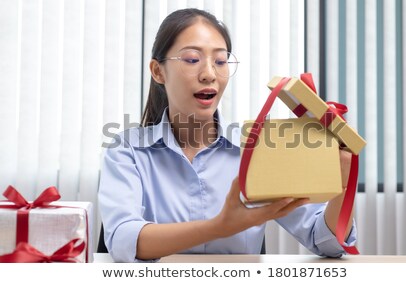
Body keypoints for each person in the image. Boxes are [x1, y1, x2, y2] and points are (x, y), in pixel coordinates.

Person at [98, 8, 357, 263]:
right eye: (191, 59)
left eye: (220, 61)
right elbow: (123, 241)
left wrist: (343, 187)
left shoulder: (258, 149)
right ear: (158, 71)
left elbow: (327, 242)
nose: (210, 74)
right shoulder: (127, 150)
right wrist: (220, 226)